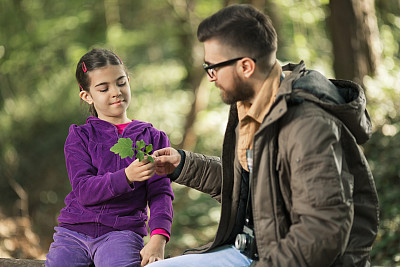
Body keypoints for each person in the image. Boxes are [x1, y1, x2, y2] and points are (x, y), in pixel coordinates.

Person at [150, 4, 379, 267]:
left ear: (246, 66)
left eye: (212, 67)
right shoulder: (250, 107)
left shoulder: (307, 125)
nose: (210, 77)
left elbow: (323, 230)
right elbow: (249, 189)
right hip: (249, 252)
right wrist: (183, 164)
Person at [45, 48, 174, 267]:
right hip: (73, 232)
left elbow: (160, 192)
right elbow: (84, 190)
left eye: (121, 83)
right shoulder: (80, 136)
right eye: (103, 88)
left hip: (122, 232)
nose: (116, 92)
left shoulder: (152, 138)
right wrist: (126, 176)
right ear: (87, 96)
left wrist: (158, 239)